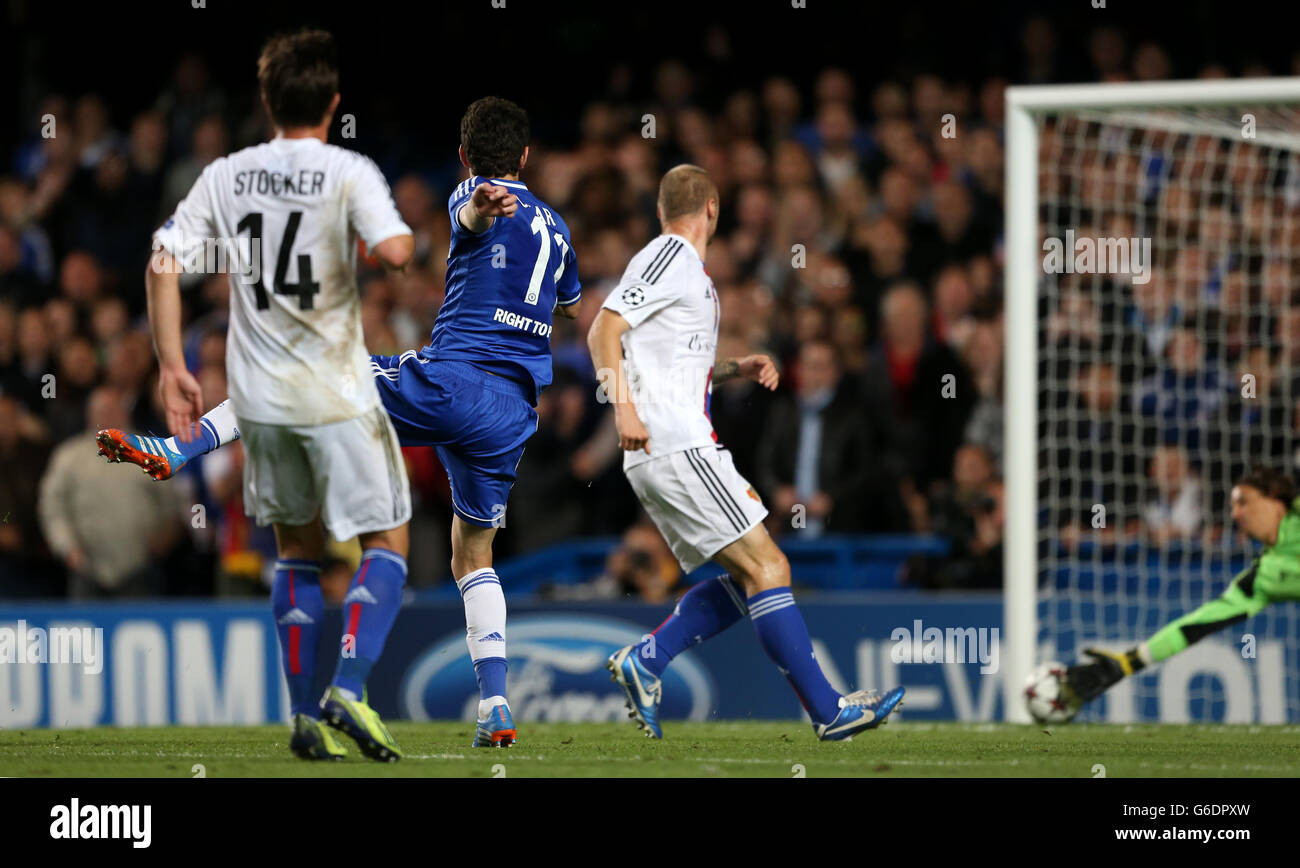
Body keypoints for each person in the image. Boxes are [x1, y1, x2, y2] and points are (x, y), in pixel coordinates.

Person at [100, 95, 580, 749]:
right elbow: (571, 306)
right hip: (512, 413)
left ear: (464, 157)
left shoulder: (472, 192)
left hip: (452, 382)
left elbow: (470, 214)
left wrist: (476, 206)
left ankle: (181, 449)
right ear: (527, 155)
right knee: (474, 554)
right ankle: (495, 702)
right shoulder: (558, 229)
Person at [102, 30, 415, 762]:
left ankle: (306, 719)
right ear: (333, 105)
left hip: (262, 403)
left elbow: (161, 261)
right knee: (387, 540)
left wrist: (171, 366)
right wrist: (418, 244)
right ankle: (352, 687)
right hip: (337, 388)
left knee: (298, 555)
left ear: (265, 102)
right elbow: (397, 253)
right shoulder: (349, 170)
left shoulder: (227, 174)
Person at [586, 164, 904, 741]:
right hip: (675, 443)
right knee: (770, 567)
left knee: (752, 577)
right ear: (711, 208)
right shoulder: (669, 256)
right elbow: (602, 330)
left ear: (663, 209)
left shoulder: (686, 274)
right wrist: (622, 408)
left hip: (670, 444)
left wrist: (736, 367)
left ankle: (648, 661)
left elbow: (671, 366)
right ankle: (829, 713)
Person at [1066, 465, 1300, 708]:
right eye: (1232, 506)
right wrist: (1128, 662)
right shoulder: (1263, 578)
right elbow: (1194, 625)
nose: (1235, 514)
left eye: (1244, 503)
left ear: (1274, 499)